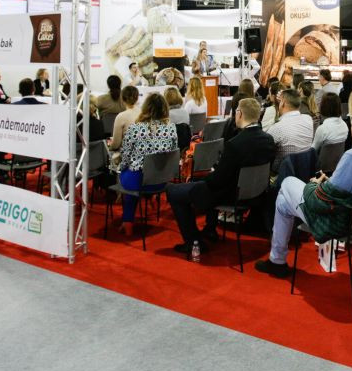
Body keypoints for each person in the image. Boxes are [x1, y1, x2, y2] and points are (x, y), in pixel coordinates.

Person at [255, 108, 352, 278]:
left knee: (287, 183)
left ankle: (277, 260)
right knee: (283, 203)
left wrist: (313, 186)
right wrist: (327, 182)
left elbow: (324, 197)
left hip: (336, 219)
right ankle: (276, 260)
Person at [166, 97, 276, 254]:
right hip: (255, 193)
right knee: (205, 181)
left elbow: (217, 181)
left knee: (173, 191)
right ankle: (210, 229)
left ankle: (194, 242)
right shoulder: (269, 140)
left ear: (239, 114)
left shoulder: (235, 144)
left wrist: (207, 176)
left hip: (229, 194)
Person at [114, 92, 178, 236]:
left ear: (145, 108)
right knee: (134, 174)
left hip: (139, 181)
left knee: (127, 173)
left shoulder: (135, 129)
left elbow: (125, 157)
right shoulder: (171, 128)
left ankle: (128, 221)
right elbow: (173, 154)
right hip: (162, 180)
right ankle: (131, 217)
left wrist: (119, 169)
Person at [267, 89, 315, 172]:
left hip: (280, 173)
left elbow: (265, 149)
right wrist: (287, 97)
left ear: (282, 103)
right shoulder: (308, 119)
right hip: (305, 170)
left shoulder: (276, 128)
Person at [107, 85, 141, 150]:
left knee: (108, 141)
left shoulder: (121, 116)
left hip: (128, 153)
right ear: (137, 98)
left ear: (122, 99)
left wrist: (109, 144)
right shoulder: (144, 113)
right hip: (145, 153)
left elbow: (115, 145)